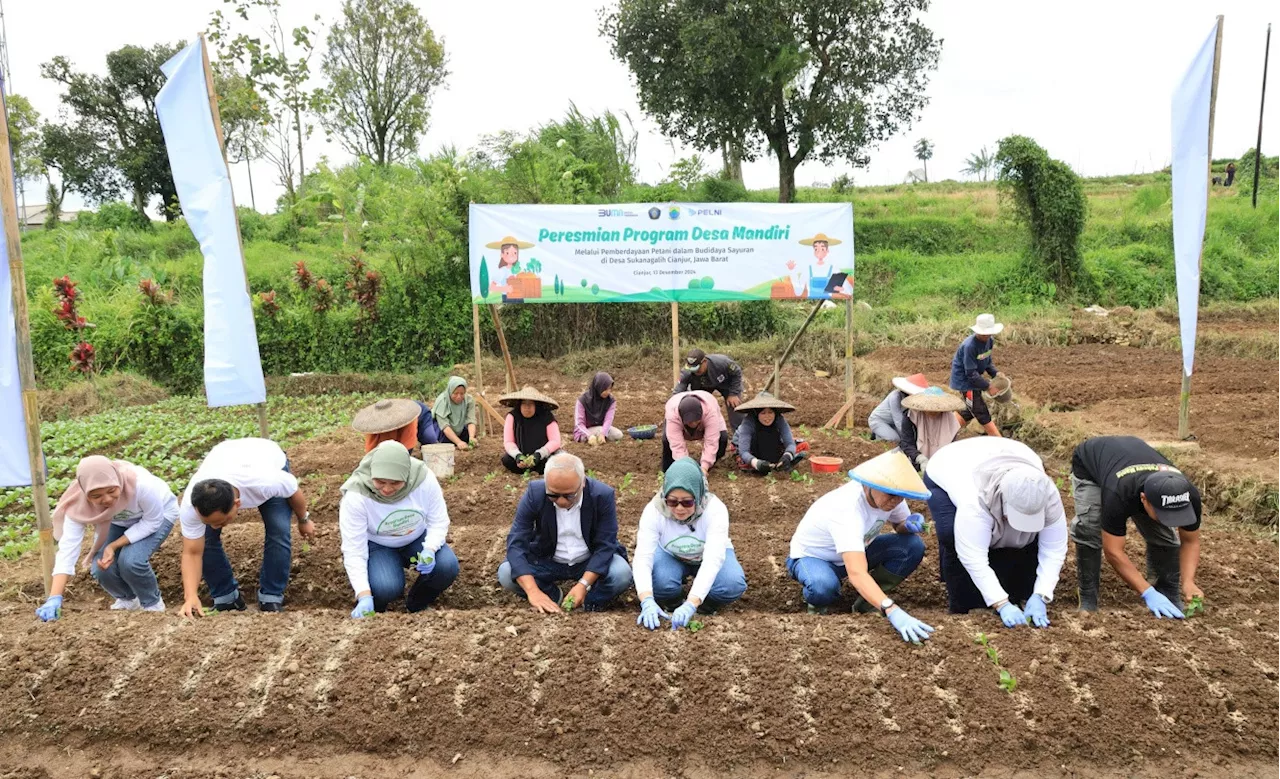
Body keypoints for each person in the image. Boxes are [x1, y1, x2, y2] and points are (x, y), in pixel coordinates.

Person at [786, 450, 934, 643]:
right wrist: (892, 609)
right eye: (891, 495)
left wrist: (908, 525)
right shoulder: (847, 509)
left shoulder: (892, 497)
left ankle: (868, 604)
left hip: (857, 549)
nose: (895, 501)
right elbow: (857, 573)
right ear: (870, 484)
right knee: (823, 587)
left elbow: (899, 525)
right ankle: (817, 608)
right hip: (814, 557)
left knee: (911, 546)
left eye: (900, 496)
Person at [924, 437, 1067, 628]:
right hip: (949, 463)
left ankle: (1022, 591)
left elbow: (1053, 549)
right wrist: (1001, 603)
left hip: (1013, 451)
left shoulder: (1047, 497)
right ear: (1004, 501)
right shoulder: (975, 502)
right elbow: (973, 557)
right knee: (951, 534)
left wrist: (1041, 593)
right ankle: (959, 598)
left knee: (1029, 542)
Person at [177, 438, 315, 617]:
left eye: (220, 521)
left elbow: (293, 490)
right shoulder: (191, 506)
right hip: (224, 454)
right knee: (207, 539)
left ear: (237, 504)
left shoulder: (266, 482)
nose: (214, 526)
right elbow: (192, 552)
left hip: (266, 455)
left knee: (278, 530)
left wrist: (304, 520)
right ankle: (226, 598)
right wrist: (191, 596)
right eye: (208, 521)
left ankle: (271, 596)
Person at [1070, 436, 1203, 619]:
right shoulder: (1118, 494)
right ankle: (1087, 598)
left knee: (1164, 537)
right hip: (1092, 466)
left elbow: (1190, 541)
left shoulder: (1187, 494)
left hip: (1135, 466)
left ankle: (1166, 591)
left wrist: (1188, 581)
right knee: (1089, 527)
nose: (1171, 521)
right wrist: (1146, 592)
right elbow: (1114, 552)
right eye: (1164, 514)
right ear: (1144, 500)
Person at [35, 457, 178, 621]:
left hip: (157, 516)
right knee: (100, 567)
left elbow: (152, 521)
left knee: (131, 561)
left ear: (117, 481)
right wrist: (55, 597)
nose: (107, 499)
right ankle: (128, 600)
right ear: (86, 493)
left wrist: (114, 545)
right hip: (117, 521)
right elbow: (68, 550)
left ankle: (152, 605)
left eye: (112, 491)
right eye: (96, 496)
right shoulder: (77, 506)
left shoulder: (140, 485)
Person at [497, 452, 633, 613]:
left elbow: (605, 545)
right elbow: (516, 543)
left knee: (621, 573)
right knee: (506, 573)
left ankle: (590, 602)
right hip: (547, 560)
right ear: (546, 483)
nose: (561, 501)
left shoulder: (601, 496)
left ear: (582, 483)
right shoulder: (535, 494)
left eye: (569, 495)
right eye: (553, 495)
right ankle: (553, 597)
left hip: (588, 559)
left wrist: (583, 584)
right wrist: (533, 592)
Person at [339, 441, 459, 617]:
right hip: (379, 545)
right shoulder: (357, 495)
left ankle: (417, 603)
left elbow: (438, 520)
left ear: (407, 476)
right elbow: (354, 549)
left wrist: (430, 548)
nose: (387, 489)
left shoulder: (423, 480)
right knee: (386, 587)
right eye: (380, 482)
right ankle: (376, 608)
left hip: (416, 537)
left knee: (446, 567)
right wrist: (363, 594)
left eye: (395, 483)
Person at [634, 458, 747, 630]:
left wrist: (692, 603)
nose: (679, 508)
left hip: (704, 556)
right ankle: (672, 602)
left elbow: (712, 560)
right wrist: (646, 600)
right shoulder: (654, 510)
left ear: (698, 495)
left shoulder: (715, 510)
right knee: (660, 584)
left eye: (687, 502)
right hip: (671, 555)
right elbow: (643, 557)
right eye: (672, 501)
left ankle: (706, 606)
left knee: (731, 584)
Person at [950, 313, 1006, 438]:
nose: (986, 335)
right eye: (984, 333)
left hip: (974, 378)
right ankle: (999, 441)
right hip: (965, 381)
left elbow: (987, 362)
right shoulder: (970, 346)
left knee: (969, 411)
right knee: (980, 411)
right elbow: (970, 373)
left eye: (989, 332)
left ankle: (945, 431)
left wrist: (995, 373)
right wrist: (988, 386)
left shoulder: (989, 341)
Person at [734, 392, 807, 474]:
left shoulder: (779, 419)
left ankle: (780, 462)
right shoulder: (748, 422)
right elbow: (744, 451)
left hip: (771, 441)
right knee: (745, 461)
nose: (767, 417)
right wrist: (756, 463)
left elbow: (789, 443)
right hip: (751, 445)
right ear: (757, 413)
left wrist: (787, 456)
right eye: (763, 413)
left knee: (802, 445)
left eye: (770, 412)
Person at [674, 348, 746, 429]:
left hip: (726, 383)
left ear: (704, 362)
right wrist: (675, 405)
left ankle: (739, 433)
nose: (695, 371)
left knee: (734, 406)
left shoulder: (721, 362)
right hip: (702, 387)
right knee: (694, 404)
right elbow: (678, 391)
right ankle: (703, 429)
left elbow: (737, 372)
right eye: (692, 369)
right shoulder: (687, 372)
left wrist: (734, 393)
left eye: (697, 369)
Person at [900, 387, 964, 473]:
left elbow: (952, 447)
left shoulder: (949, 420)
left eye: (936, 409)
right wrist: (920, 459)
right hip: (916, 460)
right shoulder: (911, 416)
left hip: (942, 463)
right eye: (930, 409)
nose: (932, 412)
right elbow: (906, 443)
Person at [500, 386, 563, 474]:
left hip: (543, 457)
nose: (527, 407)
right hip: (522, 456)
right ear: (520, 404)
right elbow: (508, 441)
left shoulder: (547, 417)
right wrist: (518, 456)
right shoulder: (512, 417)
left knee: (560, 459)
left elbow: (555, 441)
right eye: (524, 403)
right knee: (506, 460)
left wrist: (538, 454)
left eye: (530, 404)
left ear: (536, 405)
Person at [662, 390, 728, 473]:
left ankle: (708, 464)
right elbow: (677, 445)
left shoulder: (710, 412)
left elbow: (711, 441)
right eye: (690, 422)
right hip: (676, 416)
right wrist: (685, 468)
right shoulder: (672, 414)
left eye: (696, 420)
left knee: (722, 438)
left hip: (709, 411)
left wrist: (704, 467)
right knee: (666, 440)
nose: (693, 424)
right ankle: (670, 468)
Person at [352, 398, 443, 454]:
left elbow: (408, 444)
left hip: (421, 415)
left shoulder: (407, 417)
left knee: (429, 439)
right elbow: (371, 450)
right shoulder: (375, 425)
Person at [867, 373, 928, 444]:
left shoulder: (911, 399)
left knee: (905, 438)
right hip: (878, 420)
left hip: (892, 423)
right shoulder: (895, 397)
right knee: (895, 439)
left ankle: (883, 433)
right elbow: (898, 419)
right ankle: (877, 436)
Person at [790, 232, 851, 301]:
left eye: (822, 249)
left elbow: (848, 290)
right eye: (816, 249)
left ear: (827, 250)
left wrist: (841, 289)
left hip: (828, 302)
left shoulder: (834, 269)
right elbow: (798, 292)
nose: (819, 252)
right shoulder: (807, 269)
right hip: (810, 303)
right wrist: (792, 272)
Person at [574, 372, 623, 444]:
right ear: (598, 387)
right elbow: (579, 424)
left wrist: (603, 433)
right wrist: (589, 435)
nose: (608, 392)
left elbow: (608, 420)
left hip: (600, 428)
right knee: (599, 431)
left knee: (618, 434)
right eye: (605, 389)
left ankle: (599, 437)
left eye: (610, 389)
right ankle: (591, 438)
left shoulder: (611, 401)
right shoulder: (582, 400)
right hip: (584, 431)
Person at [432, 376, 477, 452]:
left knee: (468, 436)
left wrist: (471, 437)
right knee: (443, 444)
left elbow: (471, 420)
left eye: (462, 393)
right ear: (450, 391)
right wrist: (458, 442)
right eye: (455, 393)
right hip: (442, 430)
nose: (459, 397)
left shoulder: (469, 400)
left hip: (459, 428)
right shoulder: (442, 401)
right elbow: (444, 426)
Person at [485, 234, 534, 301]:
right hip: (508, 297)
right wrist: (505, 289)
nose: (512, 256)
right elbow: (491, 287)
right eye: (507, 253)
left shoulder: (519, 270)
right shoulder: (502, 271)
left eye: (515, 253)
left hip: (519, 296)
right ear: (502, 255)